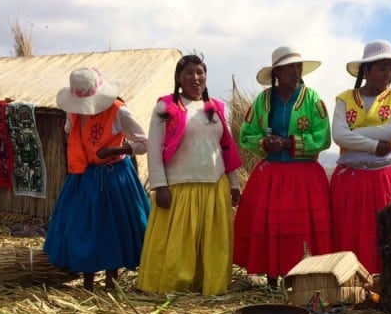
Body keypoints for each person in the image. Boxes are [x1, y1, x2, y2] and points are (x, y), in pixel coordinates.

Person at [137, 53, 243, 295]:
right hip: (179, 187)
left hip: (214, 185)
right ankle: (172, 286)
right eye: (189, 73)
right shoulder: (165, 108)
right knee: (177, 246)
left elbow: (227, 147)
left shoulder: (214, 108)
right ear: (178, 78)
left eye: (200, 72)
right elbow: (153, 148)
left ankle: (209, 284)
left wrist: (234, 183)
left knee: (212, 244)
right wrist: (159, 185)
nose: (196, 78)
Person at [44, 68, 151, 291]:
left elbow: (144, 143)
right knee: (84, 227)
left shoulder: (118, 111)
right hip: (85, 176)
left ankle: (112, 282)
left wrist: (114, 149)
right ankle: (88, 282)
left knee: (114, 227)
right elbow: (71, 134)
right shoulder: (73, 111)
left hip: (115, 177)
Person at [235, 46, 332, 288]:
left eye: (298, 66)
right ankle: (271, 277)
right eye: (290, 67)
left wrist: (289, 143)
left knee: (300, 228)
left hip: (304, 175)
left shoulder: (313, 99)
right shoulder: (263, 100)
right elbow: (247, 134)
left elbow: (323, 137)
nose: (296, 72)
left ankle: (301, 278)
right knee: (272, 226)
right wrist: (264, 142)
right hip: (271, 174)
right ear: (277, 71)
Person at [330, 40, 391, 275]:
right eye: (382, 68)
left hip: (388, 179)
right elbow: (337, 135)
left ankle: (390, 285)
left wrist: (354, 134)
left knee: (388, 232)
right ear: (366, 71)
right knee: (351, 232)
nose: (388, 74)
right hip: (351, 180)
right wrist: (373, 145)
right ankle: (351, 284)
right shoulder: (345, 99)